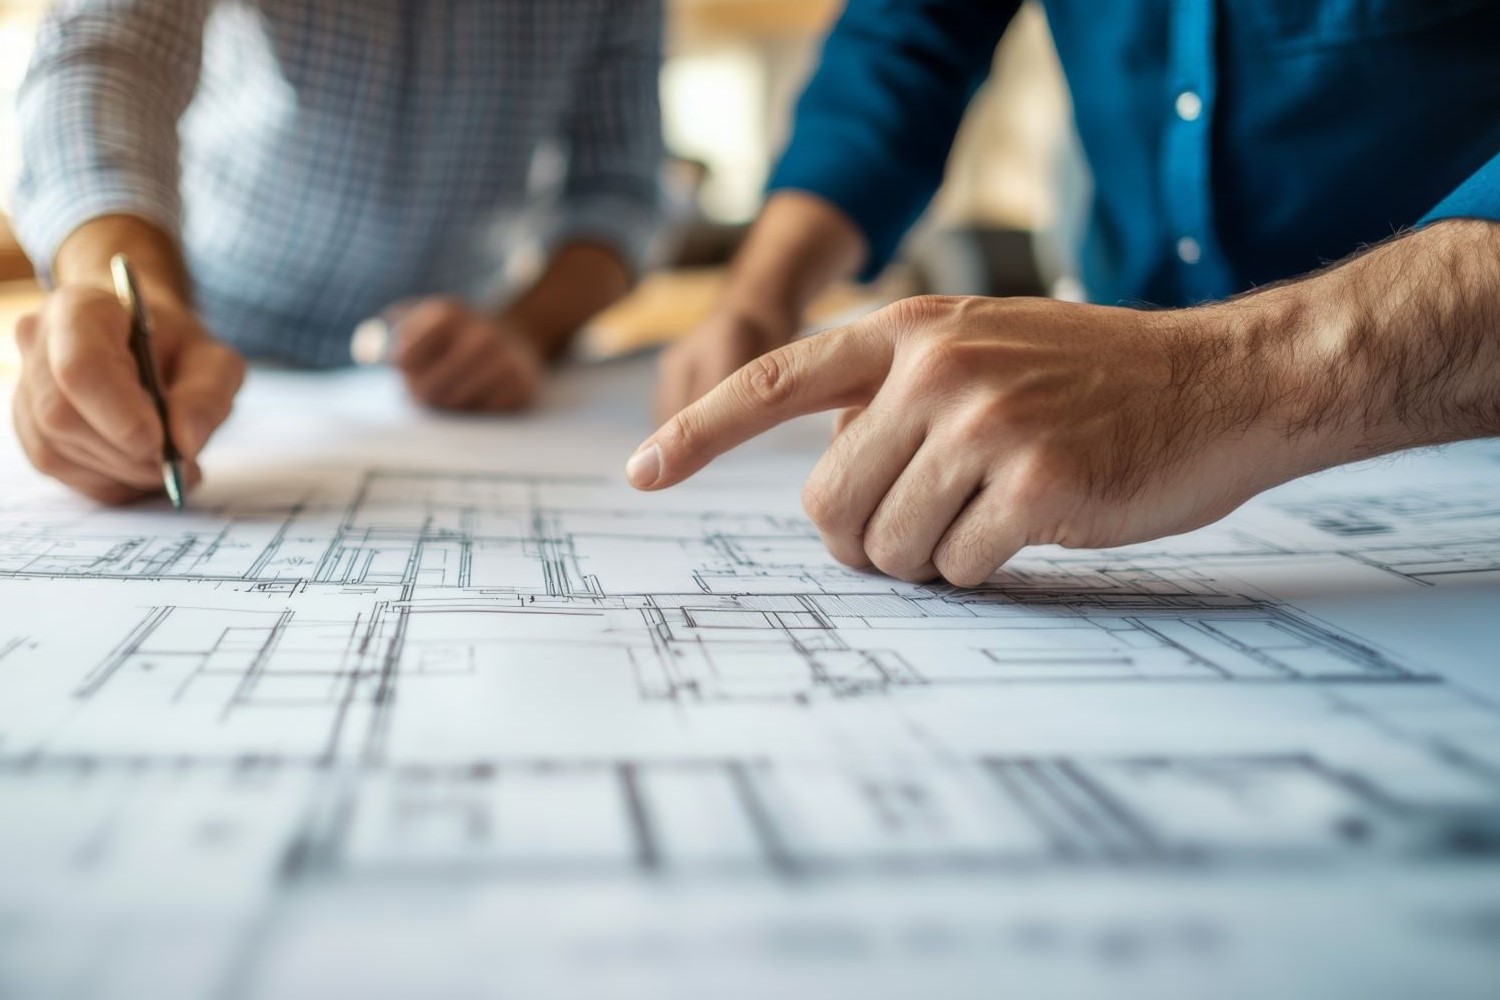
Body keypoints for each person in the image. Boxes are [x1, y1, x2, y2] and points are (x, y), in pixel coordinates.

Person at [637, 0, 1500, 587]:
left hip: (1460, 415)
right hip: (1106, 437)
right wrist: (760, 291)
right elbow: (902, 42)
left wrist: (1218, 379)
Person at [10, 0, 662, 504]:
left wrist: (526, 329)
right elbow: (109, 54)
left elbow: (620, 189)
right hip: (201, 337)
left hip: (463, 369)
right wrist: (132, 294)